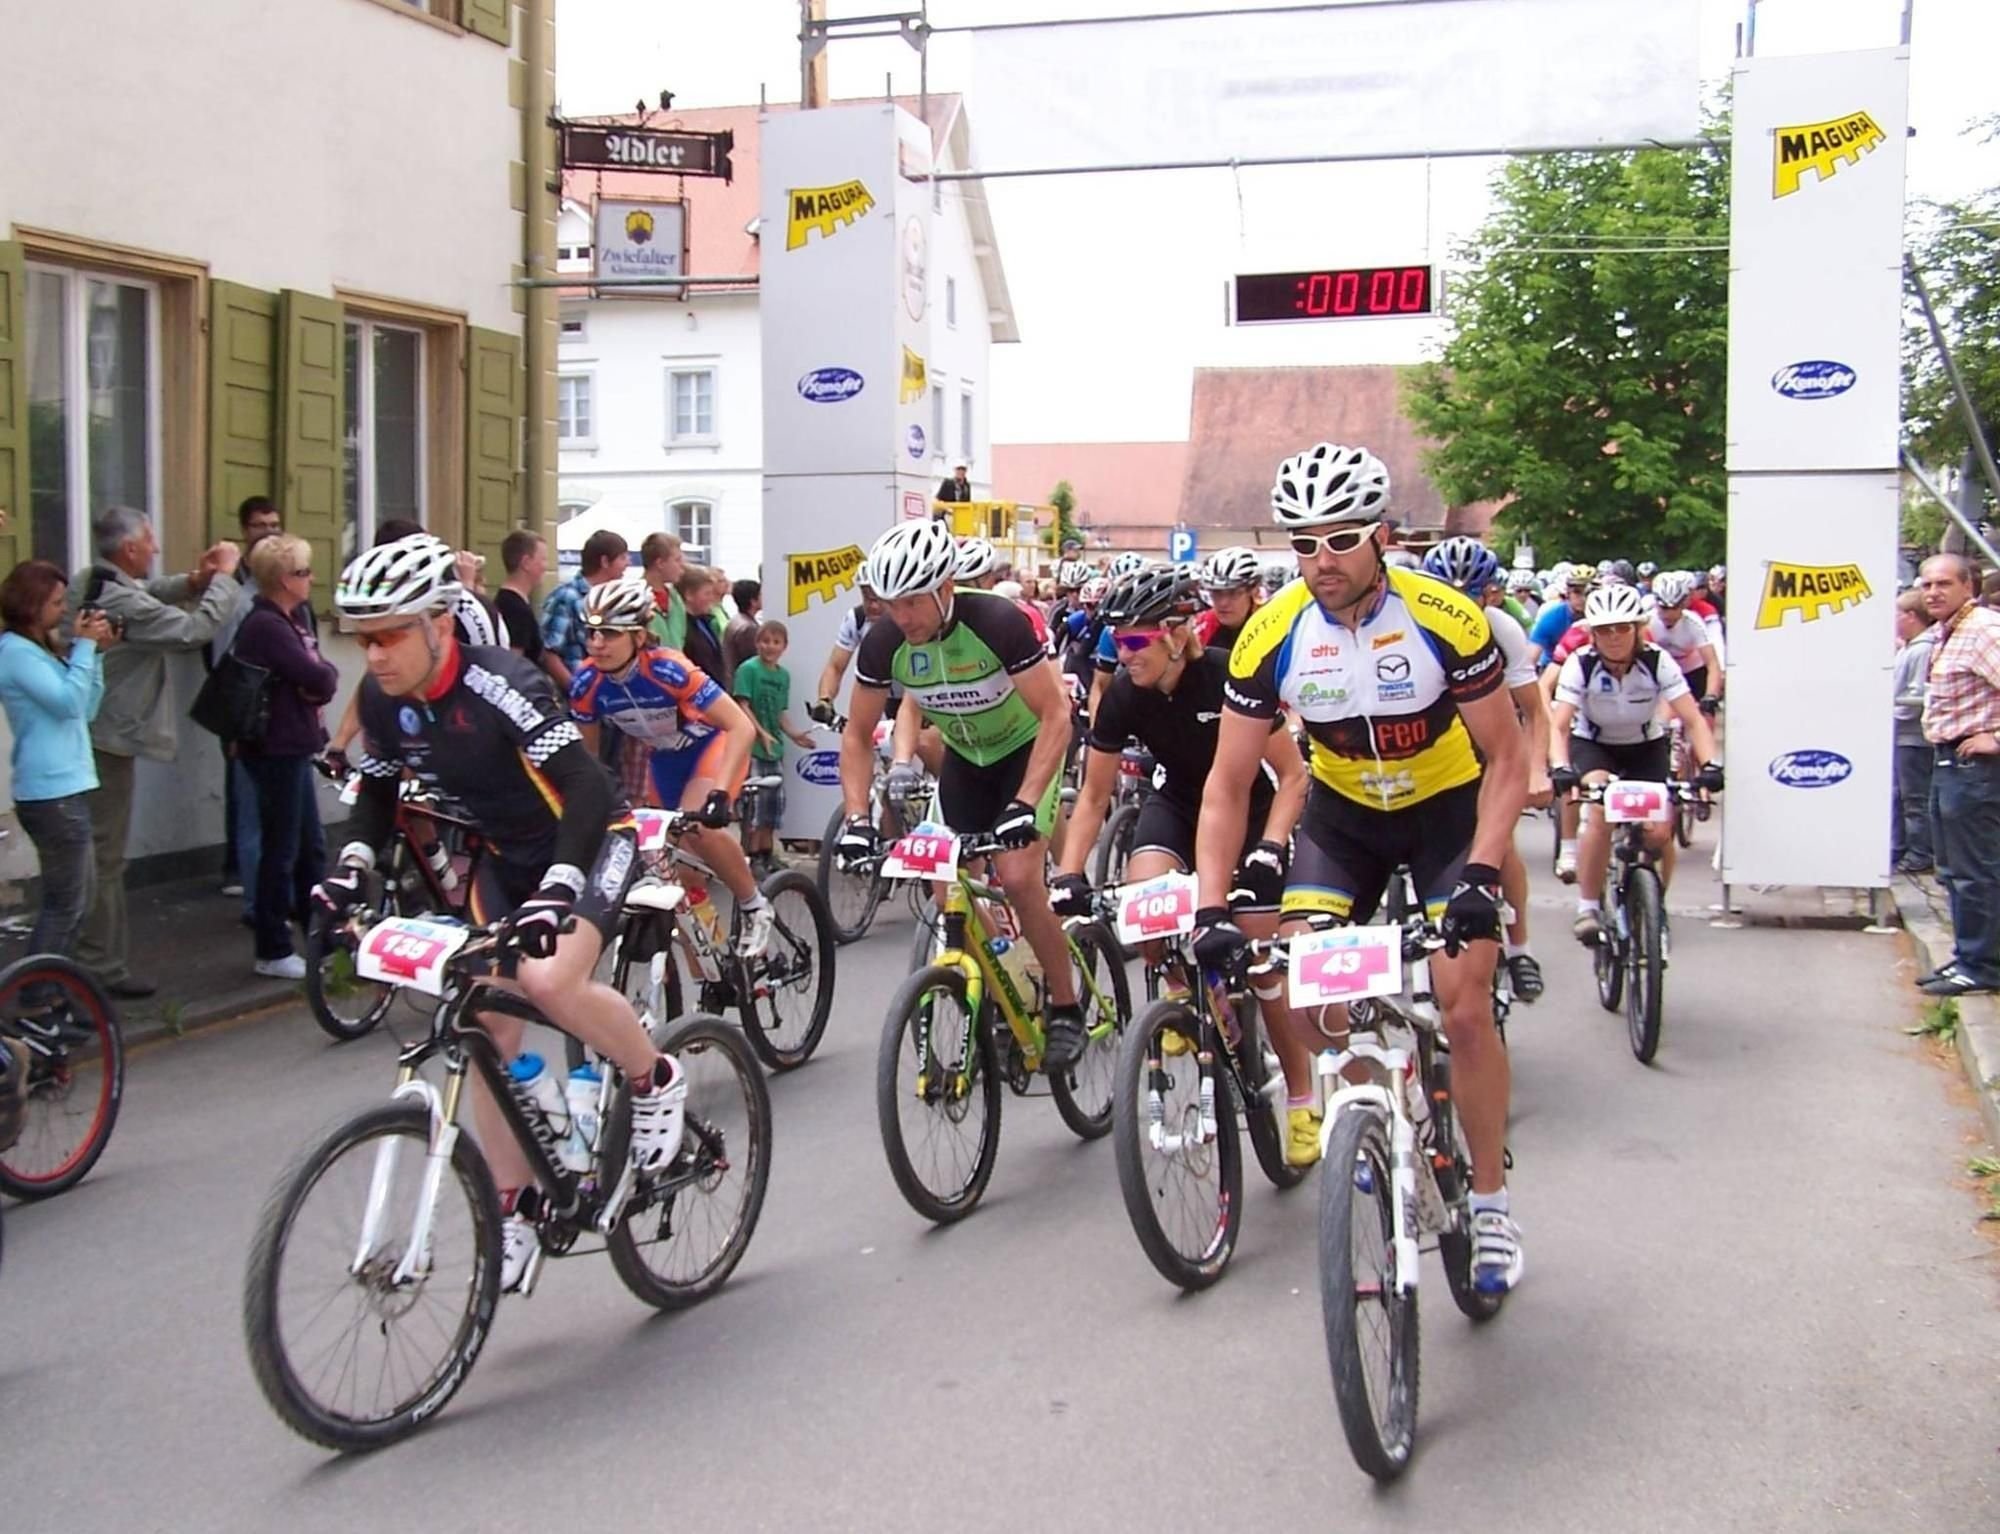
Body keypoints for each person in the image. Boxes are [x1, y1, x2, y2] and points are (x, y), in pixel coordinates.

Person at [1197, 441, 1529, 1290]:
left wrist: (1484, 873)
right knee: (1308, 998)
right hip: (1344, 825)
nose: (1322, 560)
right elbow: (1227, 785)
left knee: (1463, 1007)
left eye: (1341, 539)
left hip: (1445, 817)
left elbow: (1507, 758)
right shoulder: (1270, 635)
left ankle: (1491, 1205)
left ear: (1382, 535)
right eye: (1304, 543)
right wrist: (1209, 908)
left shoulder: (1446, 617)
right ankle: (1376, 1106)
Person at [316, 535, 686, 1293]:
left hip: (589, 841)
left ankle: (653, 1077)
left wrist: (559, 885)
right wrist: (351, 869)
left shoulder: (500, 683)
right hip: (506, 856)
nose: (374, 655)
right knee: (482, 1025)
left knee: (549, 982)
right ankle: (516, 1208)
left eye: (389, 636)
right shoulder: (384, 700)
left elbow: (586, 788)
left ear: (437, 625)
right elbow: (378, 793)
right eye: (364, 639)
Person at [1051, 564, 1316, 1160]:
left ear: (1176, 633)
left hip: (1250, 811)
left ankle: (1302, 1099)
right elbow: (1092, 797)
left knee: (1260, 958)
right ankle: (1188, 993)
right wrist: (1068, 873)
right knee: (1144, 905)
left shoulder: (1227, 676)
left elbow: (1293, 775)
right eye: (1117, 640)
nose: (1124, 654)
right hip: (1176, 804)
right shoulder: (1124, 694)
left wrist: (1272, 847)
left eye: (1135, 640)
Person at [832, 519, 1088, 1065]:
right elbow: (856, 735)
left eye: (912, 602)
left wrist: (1025, 803)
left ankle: (1066, 1005)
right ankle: (1006, 979)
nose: (902, 617)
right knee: (942, 887)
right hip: (967, 761)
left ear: (946, 587)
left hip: (1025, 752)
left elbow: (1055, 716)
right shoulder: (885, 642)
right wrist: (856, 820)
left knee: (1017, 877)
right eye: (891, 604)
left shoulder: (997, 622)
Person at [70, 507, 240, 998]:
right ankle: (99, 967)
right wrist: (223, 581)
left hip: (90, 734)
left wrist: (194, 581)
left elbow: (146, 594)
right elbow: (192, 630)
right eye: (150, 541)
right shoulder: (120, 599)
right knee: (105, 857)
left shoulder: (93, 580)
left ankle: (90, 960)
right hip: (107, 739)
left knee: (95, 855)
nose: (156, 548)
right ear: (129, 549)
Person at [567, 576, 776, 956]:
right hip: (664, 761)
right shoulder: (586, 682)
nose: (596, 643)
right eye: (591, 633)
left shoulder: (669, 669)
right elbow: (588, 762)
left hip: (711, 746)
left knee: (698, 827)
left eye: (610, 633)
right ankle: (713, 967)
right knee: (677, 878)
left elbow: (740, 726)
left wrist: (719, 794)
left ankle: (755, 905)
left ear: (639, 636)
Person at [1548, 582, 1721, 945]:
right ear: (1592, 633)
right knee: (1600, 811)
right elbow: (1559, 725)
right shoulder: (1581, 663)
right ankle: (1588, 907)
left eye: (1622, 628)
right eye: (1604, 630)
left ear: (1638, 629)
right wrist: (1561, 766)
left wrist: (1710, 765)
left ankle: (1656, 906)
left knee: (1659, 831)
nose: (1614, 637)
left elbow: (1692, 719)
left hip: (1646, 746)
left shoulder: (1657, 661)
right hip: (1594, 745)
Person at [1424, 536, 1553, 1001]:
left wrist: (1536, 770)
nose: (1459, 605)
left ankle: (1520, 950)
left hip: (1489, 745)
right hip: (1430, 747)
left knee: (1500, 847)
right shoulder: (1413, 626)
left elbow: (1535, 711)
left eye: (1472, 595)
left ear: (1490, 594)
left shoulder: (1503, 630)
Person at [0, 561, 113, 988]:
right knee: (64, 906)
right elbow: (66, 703)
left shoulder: (40, 650)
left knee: (77, 903)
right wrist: (83, 648)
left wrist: (94, 657)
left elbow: (85, 709)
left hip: (68, 787)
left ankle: (53, 988)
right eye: (56, 602)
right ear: (30, 605)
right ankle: (36, 994)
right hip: (50, 793)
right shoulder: (15, 652)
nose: (63, 610)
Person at [229, 534, 338, 980]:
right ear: (284, 580)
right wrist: (318, 678)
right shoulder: (267, 626)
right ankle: (272, 946)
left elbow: (319, 676)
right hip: (275, 747)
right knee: (283, 847)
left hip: (293, 743)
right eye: (304, 572)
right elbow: (318, 676)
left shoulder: (289, 620)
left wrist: (318, 678)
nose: (311, 579)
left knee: (310, 845)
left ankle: (319, 934)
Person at [1916, 554, 2000, 996]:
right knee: (1951, 869)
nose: (1933, 592)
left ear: (1969, 586)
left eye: (1944, 583)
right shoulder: (1948, 631)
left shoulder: (1984, 630)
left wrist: (1996, 738)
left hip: (1976, 768)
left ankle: (1984, 965)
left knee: (1975, 871)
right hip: (1948, 760)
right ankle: (1968, 955)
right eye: (1927, 584)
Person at [213, 495, 286, 905]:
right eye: (261, 525)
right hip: (243, 704)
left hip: (280, 711)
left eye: (274, 525)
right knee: (243, 793)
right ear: (245, 530)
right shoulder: (236, 589)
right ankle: (240, 875)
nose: (269, 533)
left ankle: (266, 884)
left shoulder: (279, 583)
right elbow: (225, 656)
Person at [732, 619, 815, 872]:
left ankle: (767, 854)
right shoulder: (748, 670)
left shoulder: (783, 676)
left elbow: (780, 713)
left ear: (784, 646)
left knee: (773, 806)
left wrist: (795, 735)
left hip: (774, 751)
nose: (770, 646)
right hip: (752, 750)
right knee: (754, 807)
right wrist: (761, 733)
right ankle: (752, 856)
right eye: (765, 641)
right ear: (757, 643)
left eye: (776, 642)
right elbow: (742, 705)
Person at [1892, 590, 1937, 876]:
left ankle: (1920, 852)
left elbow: (1915, 695)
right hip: (1903, 736)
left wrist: (1891, 713)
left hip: (1913, 738)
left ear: (1911, 616)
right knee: (1902, 795)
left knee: (1915, 798)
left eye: (1897, 614)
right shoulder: (1908, 648)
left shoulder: (1921, 650)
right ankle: (1903, 846)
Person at [540, 528, 628, 673]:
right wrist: (575, 685)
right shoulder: (567, 597)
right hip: (578, 683)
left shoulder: (611, 598)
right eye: (622, 558)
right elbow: (549, 653)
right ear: (605, 561)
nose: (627, 563)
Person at [497, 527, 566, 687]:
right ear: (526, 563)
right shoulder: (516, 610)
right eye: (543, 559)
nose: (545, 566)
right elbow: (513, 666)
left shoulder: (510, 602)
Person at [678, 564, 729, 685]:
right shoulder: (683, 629)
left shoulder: (704, 622)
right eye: (707, 593)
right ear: (689, 595)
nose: (711, 598)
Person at [640, 531, 688, 651]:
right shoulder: (636, 599)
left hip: (674, 661)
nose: (683, 565)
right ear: (660, 563)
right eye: (677, 560)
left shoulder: (675, 598)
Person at [723, 578, 763, 676]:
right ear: (753, 601)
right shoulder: (748, 628)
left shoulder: (736, 620)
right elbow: (753, 661)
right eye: (761, 595)